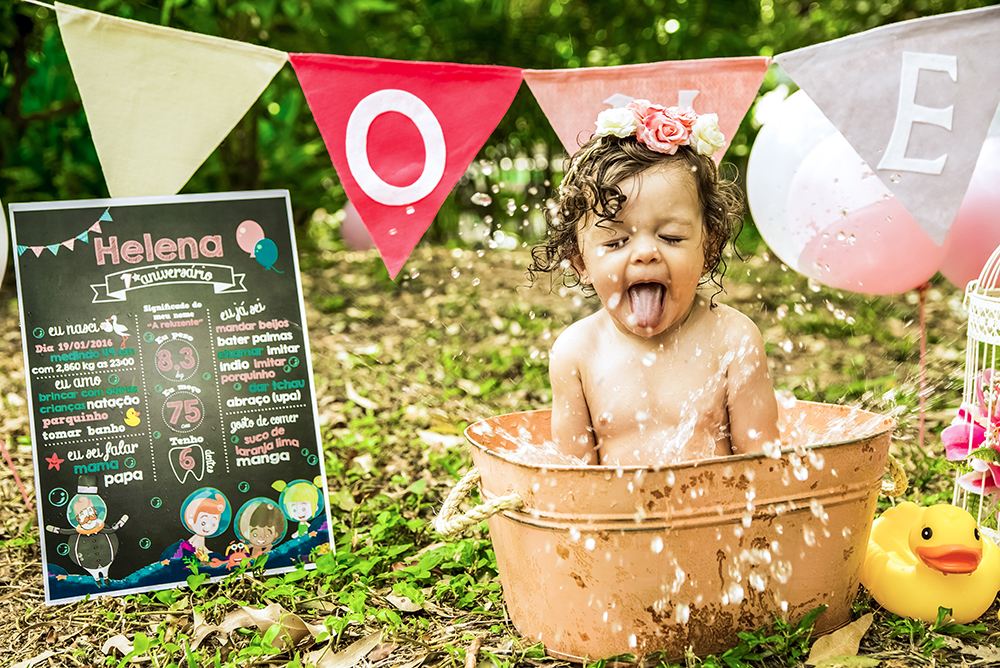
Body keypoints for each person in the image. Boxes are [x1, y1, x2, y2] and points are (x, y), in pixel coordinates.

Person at [529, 100, 780, 466]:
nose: (645, 253)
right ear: (581, 262)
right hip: (621, 523)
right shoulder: (576, 354)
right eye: (616, 242)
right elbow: (572, 481)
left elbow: (764, 467)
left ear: (708, 248)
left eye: (672, 237)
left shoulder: (733, 340)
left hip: (719, 519)